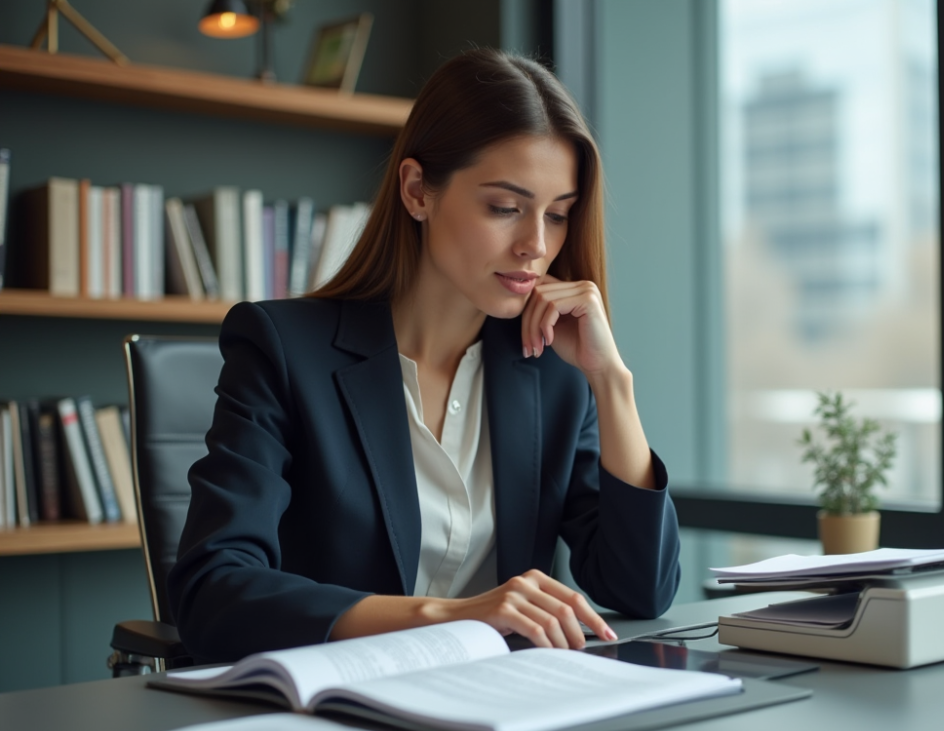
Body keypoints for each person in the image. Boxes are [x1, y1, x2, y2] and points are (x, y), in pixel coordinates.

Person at [169, 49, 681, 664]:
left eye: (559, 215)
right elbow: (212, 590)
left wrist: (611, 382)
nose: (536, 245)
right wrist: (453, 616)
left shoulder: (552, 370)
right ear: (418, 191)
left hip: (502, 710)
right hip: (336, 711)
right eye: (505, 207)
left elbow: (641, 588)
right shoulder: (281, 349)